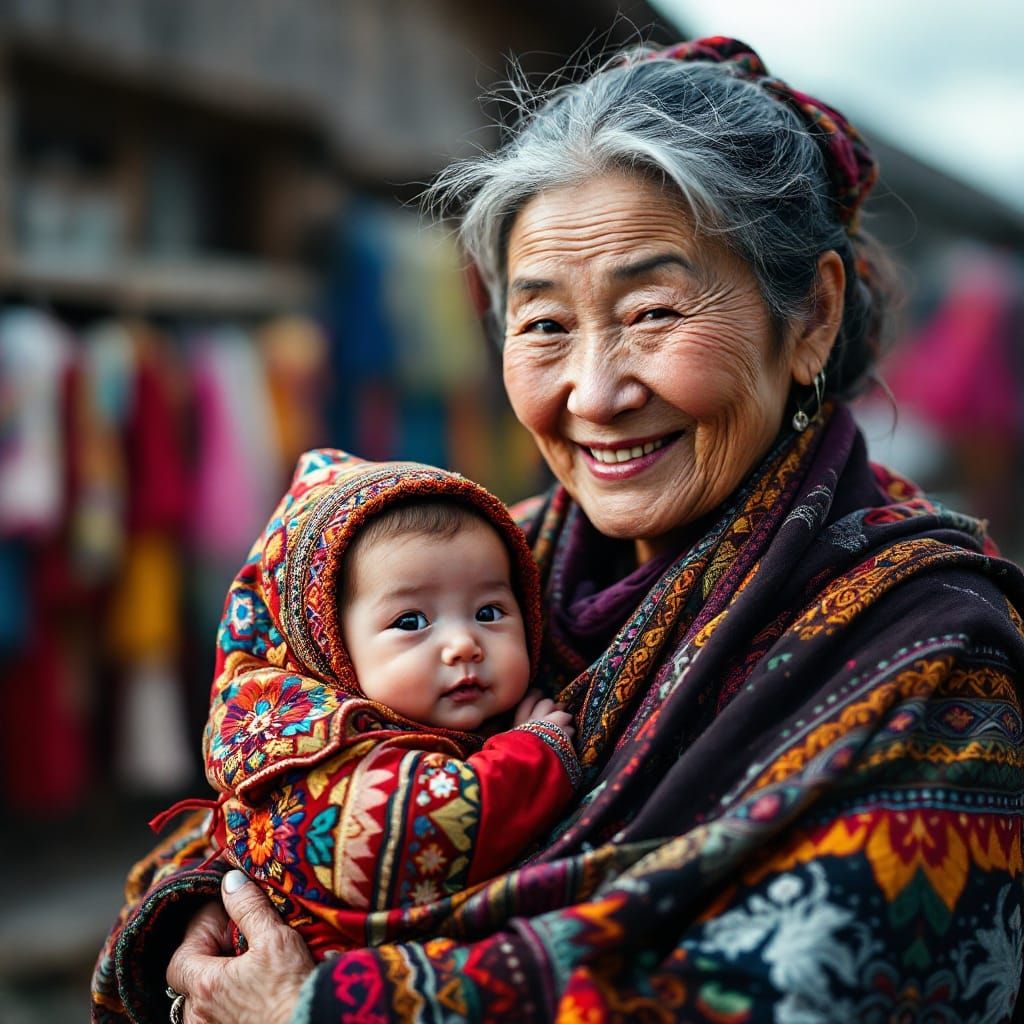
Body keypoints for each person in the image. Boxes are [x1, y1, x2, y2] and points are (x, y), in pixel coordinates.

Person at [159, 35, 1023, 1023]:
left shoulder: (926, 646)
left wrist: (322, 1008)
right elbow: (257, 798)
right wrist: (206, 921)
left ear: (813, 316)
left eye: (651, 312)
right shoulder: (486, 566)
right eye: (543, 326)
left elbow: (801, 992)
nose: (595, 392)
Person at [91, 450, 579, 1023]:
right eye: (412, 621)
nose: (464, 644)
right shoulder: (314, 752)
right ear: (331, 652)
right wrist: (536, 748)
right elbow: (437, 823)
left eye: (491, 610)